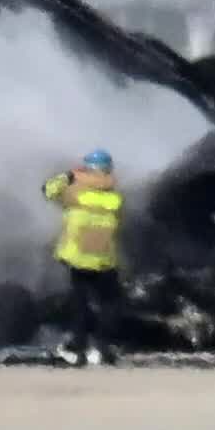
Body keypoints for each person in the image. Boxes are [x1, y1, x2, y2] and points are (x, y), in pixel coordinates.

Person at [43, 149, 126, 366]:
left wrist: (70, 175)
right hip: (103, 259)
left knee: (80, 304)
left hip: (78, 258)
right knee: (110, 303)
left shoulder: (76, 194)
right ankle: (101, 347)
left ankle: (76, 349)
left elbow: (48, 190)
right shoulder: (114, 198)